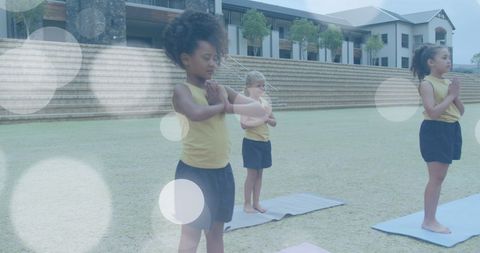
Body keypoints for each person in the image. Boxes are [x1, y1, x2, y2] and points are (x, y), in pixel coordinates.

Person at [163, 10, 266, 253]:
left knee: (216, 235)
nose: (213, 63)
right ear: (186, 59)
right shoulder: (182, 90)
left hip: (222, 173)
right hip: (193, 174)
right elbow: (196, 114)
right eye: (207, 57)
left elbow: (258, 109)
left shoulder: (221, 89)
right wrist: (221, 105)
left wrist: (227, 104)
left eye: (215, 58)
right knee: (190, 235)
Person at [411, 43, 464, 234]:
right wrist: (451, 96)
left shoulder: (447, 83)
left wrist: (454, 95)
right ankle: (429, 220)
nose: (448, 61)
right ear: (431, 62)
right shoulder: (427, 84)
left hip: (451, 129)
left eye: (449, 57)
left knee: (440, 177)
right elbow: (432, 112)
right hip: (435, 130)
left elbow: (461, 111)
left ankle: (430, 218)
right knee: (436, 178)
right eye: (444, 57)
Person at [240, 71, 276, 213]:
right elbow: (244, 124)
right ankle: (246, 203)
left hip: (264, 143)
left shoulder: (265, 103)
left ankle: (256, 203)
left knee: (260, 174)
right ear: (249, 87)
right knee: (252, 175)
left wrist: (267, 119)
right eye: (258, 85)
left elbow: (274, 122)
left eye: (263, 85)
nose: (262, 88)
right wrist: (262, 119)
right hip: (251, 143)